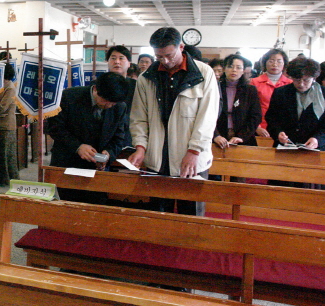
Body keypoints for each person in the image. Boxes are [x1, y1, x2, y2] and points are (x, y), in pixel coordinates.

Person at [129, 27, 219, 216]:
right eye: (159, 56)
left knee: (191, 214)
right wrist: (140, 147)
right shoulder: (146, 78)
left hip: (192, 156)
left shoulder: (204, 73)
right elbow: (139, 118)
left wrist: (194, 151)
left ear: (181, 47)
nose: (165, 61)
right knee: (159, 213)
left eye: (169, 55)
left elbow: (207, 117)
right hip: (157, 158)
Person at [48, 71, 129, 204]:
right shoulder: (69, 97)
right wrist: (78, 147)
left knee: (97, 206)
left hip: (98, 170)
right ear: (96, 89)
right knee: (70, 206)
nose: (108, 106)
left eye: (112, 104)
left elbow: (119, 137)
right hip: (68, 163)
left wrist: (108, 154)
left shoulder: (120, 107)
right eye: (105, 101)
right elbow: (55, 128)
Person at [266, 57, 325, 152]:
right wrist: (278, 133)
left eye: (306, 80)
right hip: (285, 146)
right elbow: (271, 118)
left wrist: (317, 139)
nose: (301, 84)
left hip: (314, 148)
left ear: (314, 78)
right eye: (297, 80)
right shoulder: (281, 92)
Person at [213, 54, 262, 149]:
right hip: (218, 138)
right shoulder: (214, 88)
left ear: (243, 71)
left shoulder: (250, 90)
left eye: (238, 67)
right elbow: (207, 114)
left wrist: (241, 136)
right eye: (230, 66)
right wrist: (216, 135)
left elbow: (256, 116)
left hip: (244, 139)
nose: (234, 70)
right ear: (224, 69)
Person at [251, 49, 292, 138]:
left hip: (284, 130)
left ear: (284, 64)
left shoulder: (290, 84)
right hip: (260, 127)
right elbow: (249, 107)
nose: (275, 64)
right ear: (265, 63)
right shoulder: (254, 82)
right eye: (271, 61)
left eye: (279, 61)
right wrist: (256, 127)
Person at [106, 45, 136, 145]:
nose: (117, 62)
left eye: (121, 58)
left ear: (129, 63)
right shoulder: (98, 85)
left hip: (130, 135)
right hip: (105, 135)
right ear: (107, 62)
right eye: (113, 58)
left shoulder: (137, 86)